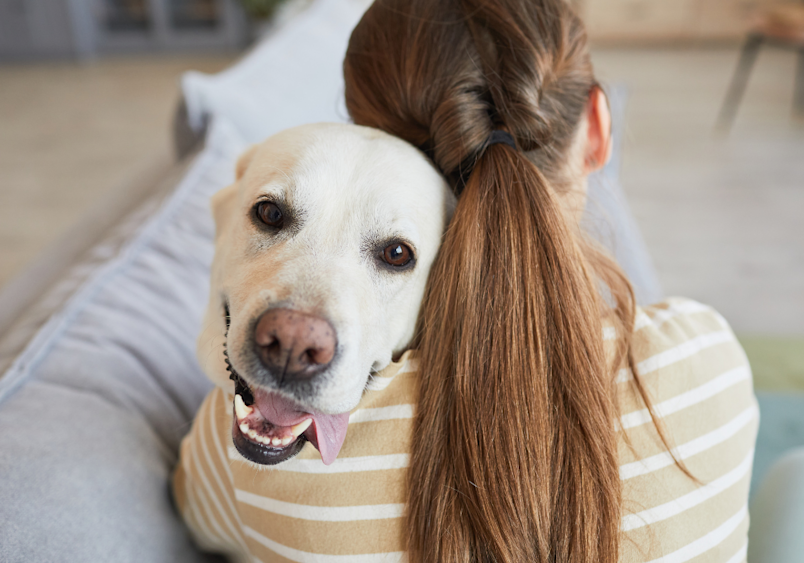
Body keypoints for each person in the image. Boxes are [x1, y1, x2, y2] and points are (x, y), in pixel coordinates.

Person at [173, 1, 757, 561]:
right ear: (600, 128)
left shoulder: (242, 458)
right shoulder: (710, 357)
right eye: (273, 217)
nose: (294, 338)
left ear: (373, 128)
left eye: (395, 253)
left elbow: (196, 520)